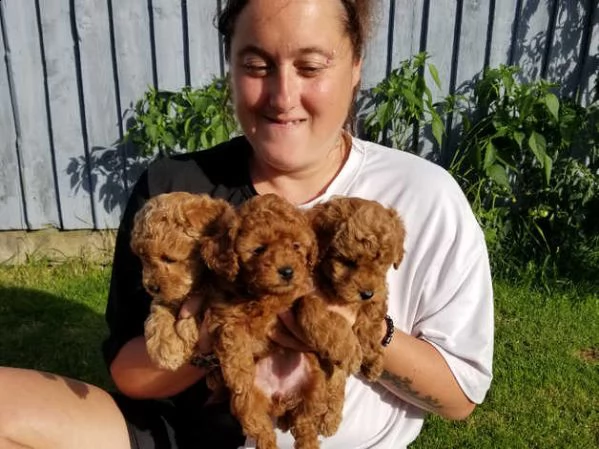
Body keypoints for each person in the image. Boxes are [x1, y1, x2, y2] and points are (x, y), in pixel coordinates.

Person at [0, 0, 494, 448]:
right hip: (178, 436)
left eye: (311, 66)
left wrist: (361, 329)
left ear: (356, 65)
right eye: (257, 66)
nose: (283, 96)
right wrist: (218, 328)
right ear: (231, 69)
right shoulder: (178, 191)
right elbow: (130, 373)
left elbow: (459, 397)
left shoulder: (423, 196)